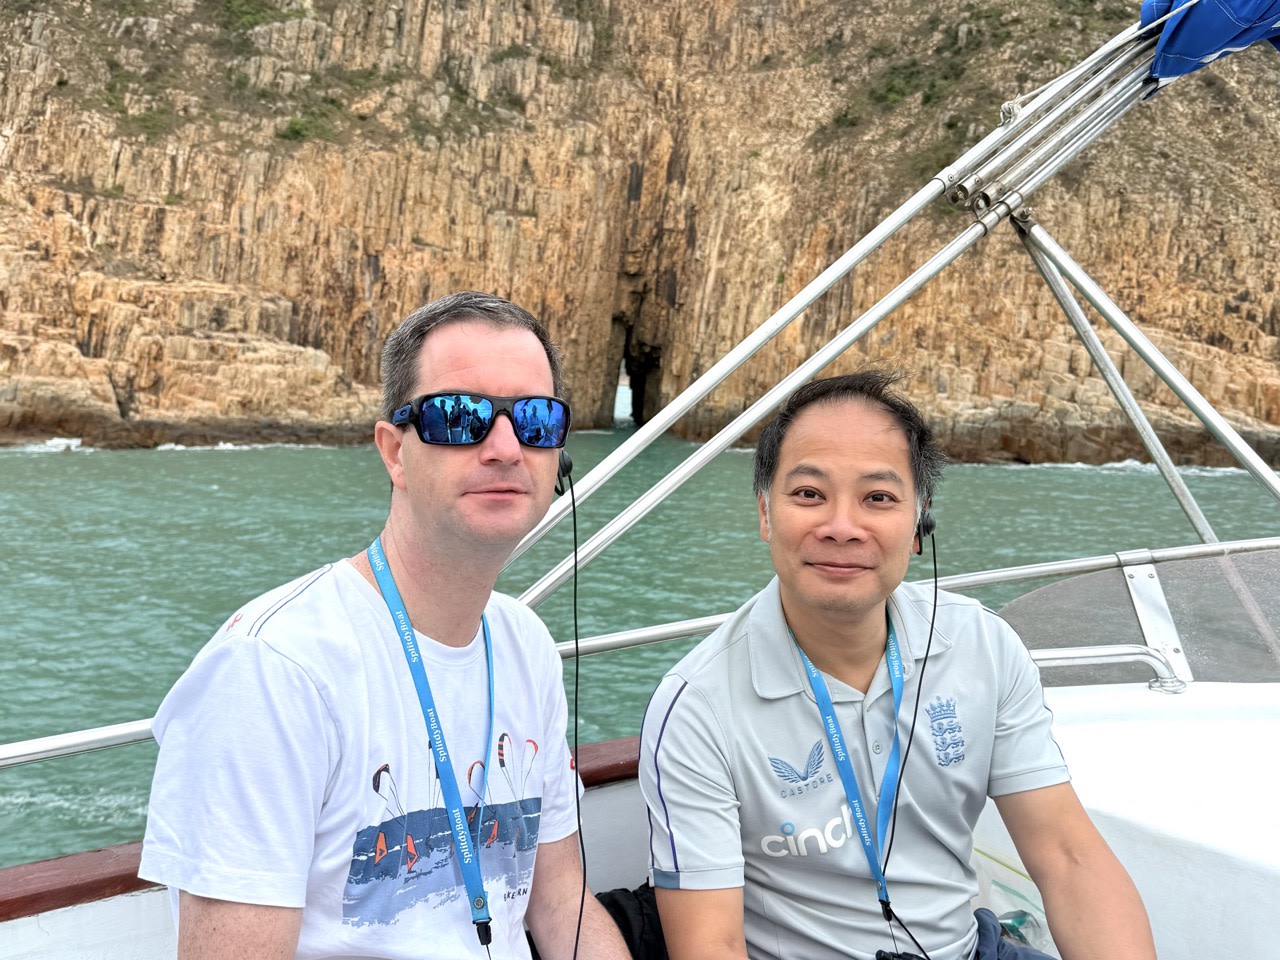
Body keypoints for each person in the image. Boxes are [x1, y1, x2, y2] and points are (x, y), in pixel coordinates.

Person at [140, 292, 631, 960]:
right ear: (394, 452)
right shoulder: (274, 670)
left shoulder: (526, 644)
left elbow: (560, 902)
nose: (506, 447)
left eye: (535, 419)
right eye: (459, 417)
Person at [638, 371, 1157, 960]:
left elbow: (1068, 857)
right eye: (808, 494)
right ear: (764, 513)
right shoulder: (699, 706)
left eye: (878, 498)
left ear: (919, 524)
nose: (841, 527)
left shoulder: (981, 646)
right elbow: (712, 944)